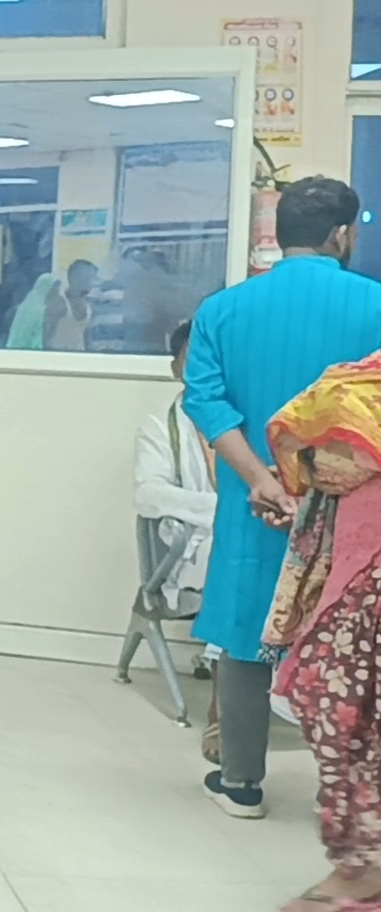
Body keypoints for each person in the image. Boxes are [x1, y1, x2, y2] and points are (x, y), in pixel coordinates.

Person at [183, 175, 381, 820]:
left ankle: (240, 781)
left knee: (247, 630)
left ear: (279, 232)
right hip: (355, 510)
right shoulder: (376, 306)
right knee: (356, 639)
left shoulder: (222, 310)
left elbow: (205, 400)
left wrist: (263, 479)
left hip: (256, 503)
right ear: (342, 234)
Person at [265, 354, 381, 910]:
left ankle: (360, 866)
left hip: (366, 577)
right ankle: (359, 862)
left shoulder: (353, 387)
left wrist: (312, 454)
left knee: (336, 701)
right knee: (334, 701)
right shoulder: (358, 380)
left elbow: (337, 461)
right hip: (357, 568)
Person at [135, 320, 217, 611]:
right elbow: (148, 494)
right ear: (175, 369)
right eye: (192, 359)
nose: (203, 369)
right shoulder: (160, 426)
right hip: (199, 545)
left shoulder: (252, 418)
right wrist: (222, 510)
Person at [48, 258, 98, 351]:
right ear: (73, 278)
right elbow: (45, 337)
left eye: (92, 278)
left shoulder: (88, 306)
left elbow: (87, 340)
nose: (91, 282)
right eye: (87, 277)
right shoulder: (59, 303)